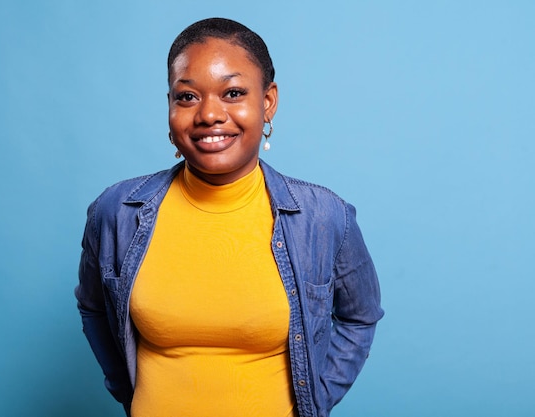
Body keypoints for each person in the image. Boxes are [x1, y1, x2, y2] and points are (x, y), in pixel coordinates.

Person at [76, 17, 383, 417]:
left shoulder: (324, 218)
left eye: (233, 92)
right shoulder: (116, 212)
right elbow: (94, 308)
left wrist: (316, 398)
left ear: (268, 101)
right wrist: (127, 390)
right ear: (169, 104)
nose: (209, 115)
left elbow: (360, 316)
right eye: (187, 97)